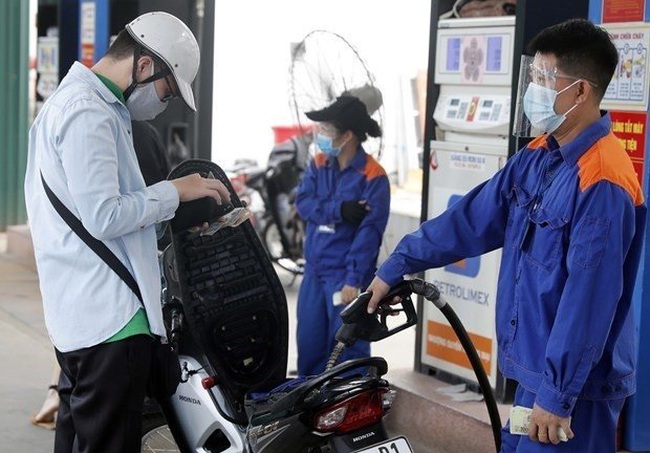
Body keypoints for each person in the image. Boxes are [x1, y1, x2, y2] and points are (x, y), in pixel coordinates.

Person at [367, 19, 646, 452]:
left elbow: (588, 300)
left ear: (579, 92)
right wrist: (398, 263)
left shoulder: (603, 180)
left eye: (544, 79)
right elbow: (468, 220)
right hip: (535, 375)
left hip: (575, 391)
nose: (533, 90)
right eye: (532, 77)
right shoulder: (536, 158)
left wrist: (556, 397)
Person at [24, 11, 231, 453]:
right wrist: (175, 190)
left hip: (84, 317)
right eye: (167, 89)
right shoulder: (88, 112)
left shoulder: (81, 105)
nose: (164, 102)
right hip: (110, 323)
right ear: (143, 65)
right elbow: (103, 215)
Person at [28, 120, 171, 432]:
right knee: (108, 431)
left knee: (78, 420)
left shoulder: (51, 121)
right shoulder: (113, 129)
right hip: (119, 313)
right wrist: (175, 194)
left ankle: (55, 392)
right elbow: (108, 217)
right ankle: (56, 392)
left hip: (73, 311)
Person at [295, 95, 390, 375]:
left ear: (347, 136)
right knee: (309, 350)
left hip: (344, 279)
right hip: (313, 274)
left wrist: (353, 279)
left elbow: (369, 235)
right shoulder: (319, 163)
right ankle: (310, 415)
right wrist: (339, 210)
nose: (320, 136)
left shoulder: (374, 176)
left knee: (347, 356)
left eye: (326, 130)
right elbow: (303, 203)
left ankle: (355, 416)